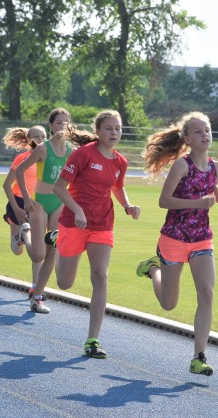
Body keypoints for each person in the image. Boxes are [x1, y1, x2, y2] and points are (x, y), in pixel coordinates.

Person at [136, 112, 218, 376]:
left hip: (202, 238)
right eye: (199, 132)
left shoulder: (217, 167)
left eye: (208, 130)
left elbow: (212, 185)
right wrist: (197, 203)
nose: (205, 135)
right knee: (169, 304)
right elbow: (164, 201)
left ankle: (198, 356)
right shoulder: (182, 166)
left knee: (207, 292)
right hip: (174, 238)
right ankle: (152, 269)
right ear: (188, 138)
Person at [52, 110, 140, 359]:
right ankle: (57, 241)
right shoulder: (83, 154)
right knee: (64, 283)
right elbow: (59, 187)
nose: (114, 133)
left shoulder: (120, 161)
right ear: (98, 131)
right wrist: (77, 209)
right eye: (109, 128)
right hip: (74, 222)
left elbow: (117, 187)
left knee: (100, 275)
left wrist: (127, 206)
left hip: (102, 223)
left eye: (118, 129)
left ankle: (93, 340)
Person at [16, 109, 73, 314]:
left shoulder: (71, 151)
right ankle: (25, 233)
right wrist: (26, 198)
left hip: (59, 205)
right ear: (51, 126)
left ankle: (37, 298)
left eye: (66, 123)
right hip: (40, 203)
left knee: (52, 250)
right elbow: (20, 171)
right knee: (38, 255)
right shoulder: (42, 149)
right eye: (59, 123)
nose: (63, 127)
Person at [1, 126, 43, 294]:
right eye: (35, 137)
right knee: (18, 251)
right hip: (18, 203)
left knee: (38, 247)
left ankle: (35, 287)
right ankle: (19, 238)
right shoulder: (22, 158)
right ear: (28, 139)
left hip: (37, 205)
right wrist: (16, 208)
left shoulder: (47, 159)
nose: (39, 140)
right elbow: (6, 185)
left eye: (42, 136)